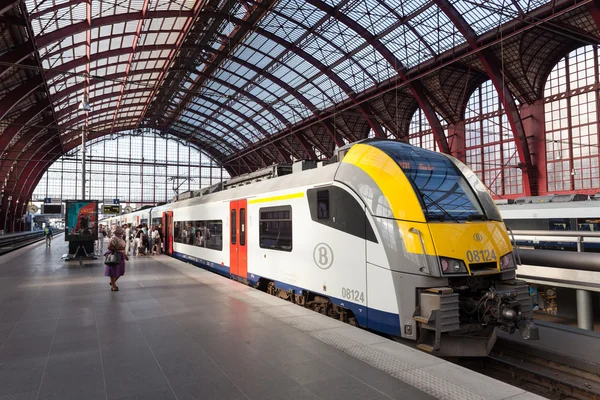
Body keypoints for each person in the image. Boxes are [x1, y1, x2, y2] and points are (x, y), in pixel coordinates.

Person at [105, 224, 128, 292]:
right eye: (121, 231)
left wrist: (125, 255)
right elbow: (109, 247)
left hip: (121, 255)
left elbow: (123, 248)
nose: (122, 232)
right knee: (113, 271)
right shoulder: (114, 238)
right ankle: (113, 286)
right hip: (115, 255)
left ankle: (113, 282)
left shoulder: (120, 238)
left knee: (121, 270)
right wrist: (116, 250)